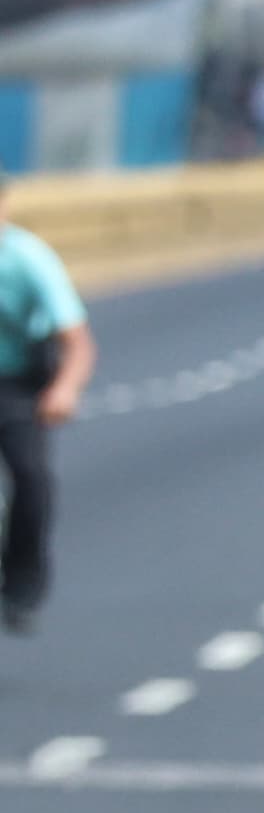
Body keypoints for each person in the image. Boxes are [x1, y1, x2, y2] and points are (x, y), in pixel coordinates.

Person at [0, 169, 97, 636]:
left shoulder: (27, 258)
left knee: (31, 477)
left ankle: (21, 584)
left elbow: (77, 341)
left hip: (18, 382)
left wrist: (64, 389)